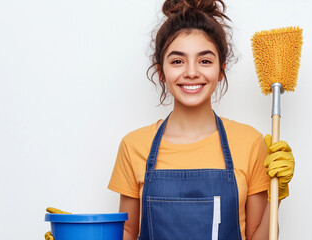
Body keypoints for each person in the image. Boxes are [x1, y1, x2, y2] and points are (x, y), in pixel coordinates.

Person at [108, 0, 295, 239]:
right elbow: (125, 233)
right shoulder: (134, 146)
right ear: (161, 72)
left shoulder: (250, 143)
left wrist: (276, 195)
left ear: (221, 70)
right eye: (177, 61)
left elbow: (258, 237)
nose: (192, 72)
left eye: (205, 60)